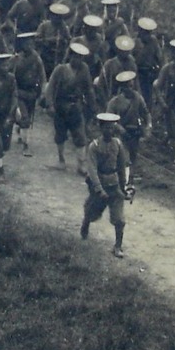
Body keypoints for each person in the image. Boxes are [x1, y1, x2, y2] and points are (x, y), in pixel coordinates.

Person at [81, 112, 131, 259]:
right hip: (99, 186)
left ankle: (117, 246)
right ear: (101, 128)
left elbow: (122, 167)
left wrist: (124, 188)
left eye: (111, 128)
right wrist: (99, 189)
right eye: (106, 128)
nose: (109, 131)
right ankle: (85, 224)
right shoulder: (94, 147)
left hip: (114, 184)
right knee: (92, 212)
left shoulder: (118, 144)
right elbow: (92, 170)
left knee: (119, 219)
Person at [42, 41, 93, 172]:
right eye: (75, 56)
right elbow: (50, 87)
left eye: (81, 57)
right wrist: (50, 105)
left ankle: (81, 164)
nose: (78, 59)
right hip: (60, 106)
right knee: (60, 134)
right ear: (70, 56)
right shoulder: (61, 69)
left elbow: (88, 89)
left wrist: (92, 106)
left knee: (80, 136)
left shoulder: (84, 69)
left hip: (76, 107)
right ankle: (61, 160)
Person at [10, 31, 46, 157]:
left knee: (27, 116)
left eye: (31, 43)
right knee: (25, 117)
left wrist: (42, 92)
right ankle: (26, 146)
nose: (29, 46)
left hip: (32, 93)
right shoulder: (17, 58)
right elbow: (11, 76)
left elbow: (42, 76)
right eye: (26, 43)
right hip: (19, 92)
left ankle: (20, 129)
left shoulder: (37, 58)